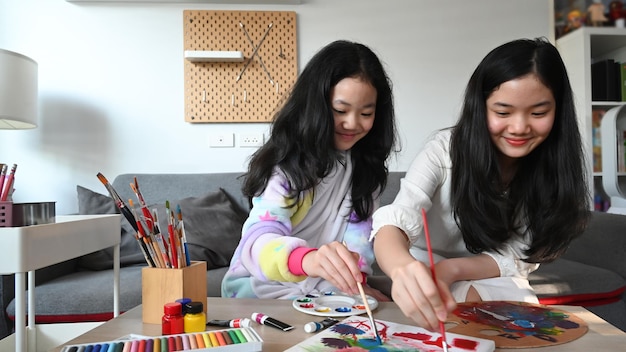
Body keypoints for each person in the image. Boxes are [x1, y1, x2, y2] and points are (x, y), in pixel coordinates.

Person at [371, 37, 591, 331]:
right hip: (424, 265)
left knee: (520, 326)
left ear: (558, 111)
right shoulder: (444, 151)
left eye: (538, 113)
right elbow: (397, 219)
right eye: (502, 112)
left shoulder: (553, 170)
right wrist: (402, 268)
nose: (519, 128)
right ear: (480, 107)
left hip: (493, 271)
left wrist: (454, 269)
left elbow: (522, 255)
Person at [221, 40, 398, 301]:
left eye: (366, 113)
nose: (352, 123)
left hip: (326, 289)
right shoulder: (286, 168)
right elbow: (258, 242)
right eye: (340, 110)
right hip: (259, 287)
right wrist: (309, 260)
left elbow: (358, 244)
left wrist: (355, 284)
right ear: (315, 105)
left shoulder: (365, 171)